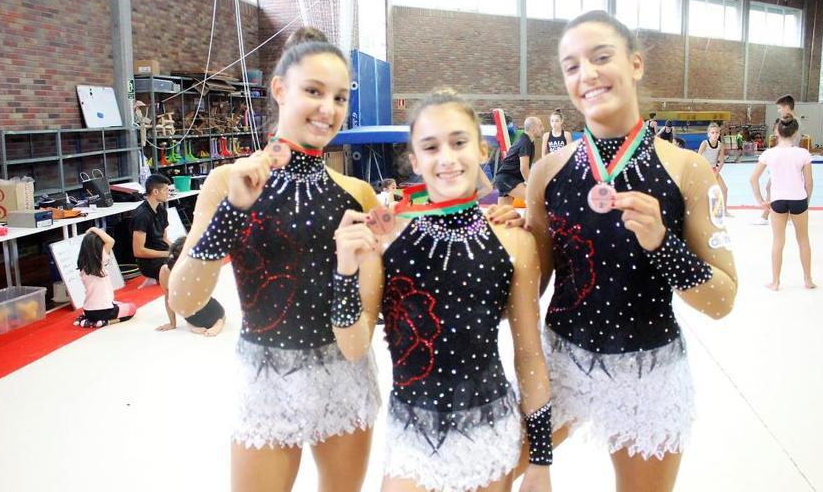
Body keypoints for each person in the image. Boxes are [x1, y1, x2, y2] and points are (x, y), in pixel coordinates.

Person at [167, 28, 523, 492]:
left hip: (343, 375)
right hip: (266, 379)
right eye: (313, 92)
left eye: (339, 96)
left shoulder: (356, 194)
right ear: (279, 89)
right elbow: (185, 296)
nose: (327, 108)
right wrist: (233, 211)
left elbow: (418, 250)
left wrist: (495, 209)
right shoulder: (227, 180)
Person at [527, 11, 737, 492]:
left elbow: (723, 301)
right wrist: (498, 245)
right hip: (564, 361)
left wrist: (664, 245)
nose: (588, 74)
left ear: (636, 64)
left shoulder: (686, 170)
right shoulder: (547, 172)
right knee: (491, 473)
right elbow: (528, 289)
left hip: (649, 371)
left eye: (601, 57)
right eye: (572, 66)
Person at [332, 89, 553, 492]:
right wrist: (344, 274)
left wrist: (540, 460)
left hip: (489, 429)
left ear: (483, 151)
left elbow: (529, 354)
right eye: (431, 147)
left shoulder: (512, 239)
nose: (447, 158)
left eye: (459, 142)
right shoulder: (384, 237)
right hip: (412, 435)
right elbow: (352, 347)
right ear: (414, 160)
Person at [750, 115, 816, 291]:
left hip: (777, 201)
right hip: (798, 200)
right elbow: (809, 182)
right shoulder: (803, 153)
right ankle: (808, 280)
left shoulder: (769, 153)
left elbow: (753, 179)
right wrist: (806, 201)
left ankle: (775, 282)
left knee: (778, 241)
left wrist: (761, 201)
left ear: (776, 132)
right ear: (795, 133)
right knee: (803, 240)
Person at [156, 236, 225, 336]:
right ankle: (219, 320)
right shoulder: (194, 267)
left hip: (194, 310)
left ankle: (215, 320)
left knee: (205, 308)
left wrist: (172, 323)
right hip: (200, 310)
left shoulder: (165, 270)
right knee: (216, 314)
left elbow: (168, 298)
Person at [74, 227, 137, 328]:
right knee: (132, 308)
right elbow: (111, 240)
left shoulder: (82, 267)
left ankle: (87, 319)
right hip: (105, 311)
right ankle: (103, 322)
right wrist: (93, 229)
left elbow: (91, 243)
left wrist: (88, 236)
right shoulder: (100, 261)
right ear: (100, 249)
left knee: (116, 303)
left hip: (88, 310)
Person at [755, 96, 797, 225]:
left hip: (788, 159)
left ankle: (768, 215)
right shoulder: (790, 120)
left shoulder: (792, 122)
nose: (779, 111)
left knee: (774, 187)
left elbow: (792, 141)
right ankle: (771, 214)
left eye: (779, 108)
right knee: (771, 186)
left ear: (786, 107)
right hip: (784, 157)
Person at [494, 116, 543, 205]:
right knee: (535, 197)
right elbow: (524, 168)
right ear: (533, 128)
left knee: (503, 215)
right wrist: (531, 185)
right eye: (540, 126)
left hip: (507, 178)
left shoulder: (528, 141)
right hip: (507, 179)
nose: (542, 129)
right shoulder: (525, 142)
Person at [131, 174, 172, 282]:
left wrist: (177, 249)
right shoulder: (142, 215)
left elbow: (164, 238)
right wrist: (166, 254)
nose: (168, 193)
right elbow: (138, 251)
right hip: (149, 262)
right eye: (166, 190)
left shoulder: (162, 210)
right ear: (155, 192)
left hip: (163, 254)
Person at [698, 123, 733, 217]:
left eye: (717, 132)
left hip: (713, 169)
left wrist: (716, 173)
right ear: (708, 134)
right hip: (704, 169)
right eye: (712, 132)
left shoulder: (720, 145)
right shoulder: (705, 143)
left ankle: (724, 210)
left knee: (724, 189)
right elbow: (698, 158)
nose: (715, 134)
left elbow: (721, 161)